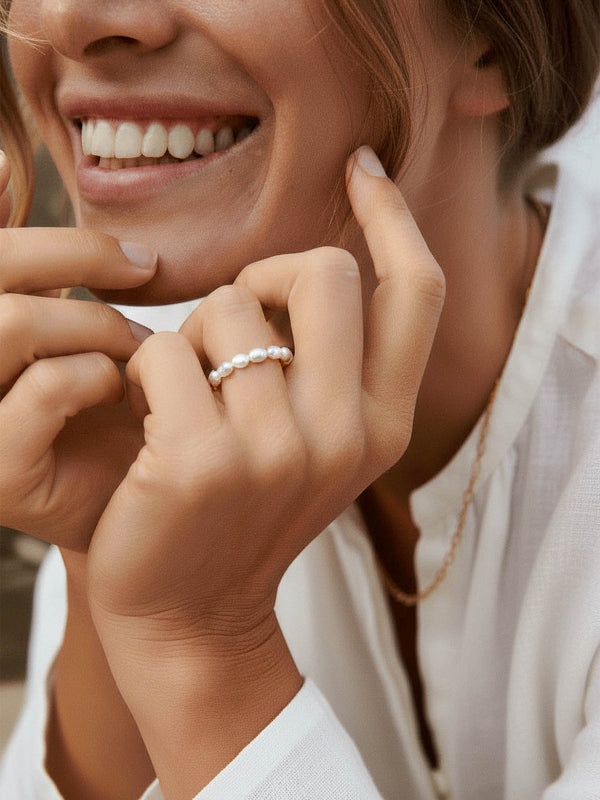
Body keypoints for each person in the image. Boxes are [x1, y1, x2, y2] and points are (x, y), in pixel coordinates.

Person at [0, 0, 599, 798]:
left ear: (488, 38)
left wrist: (207, 652)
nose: (70, 19)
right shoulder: (150, 397)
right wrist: (99, 563)